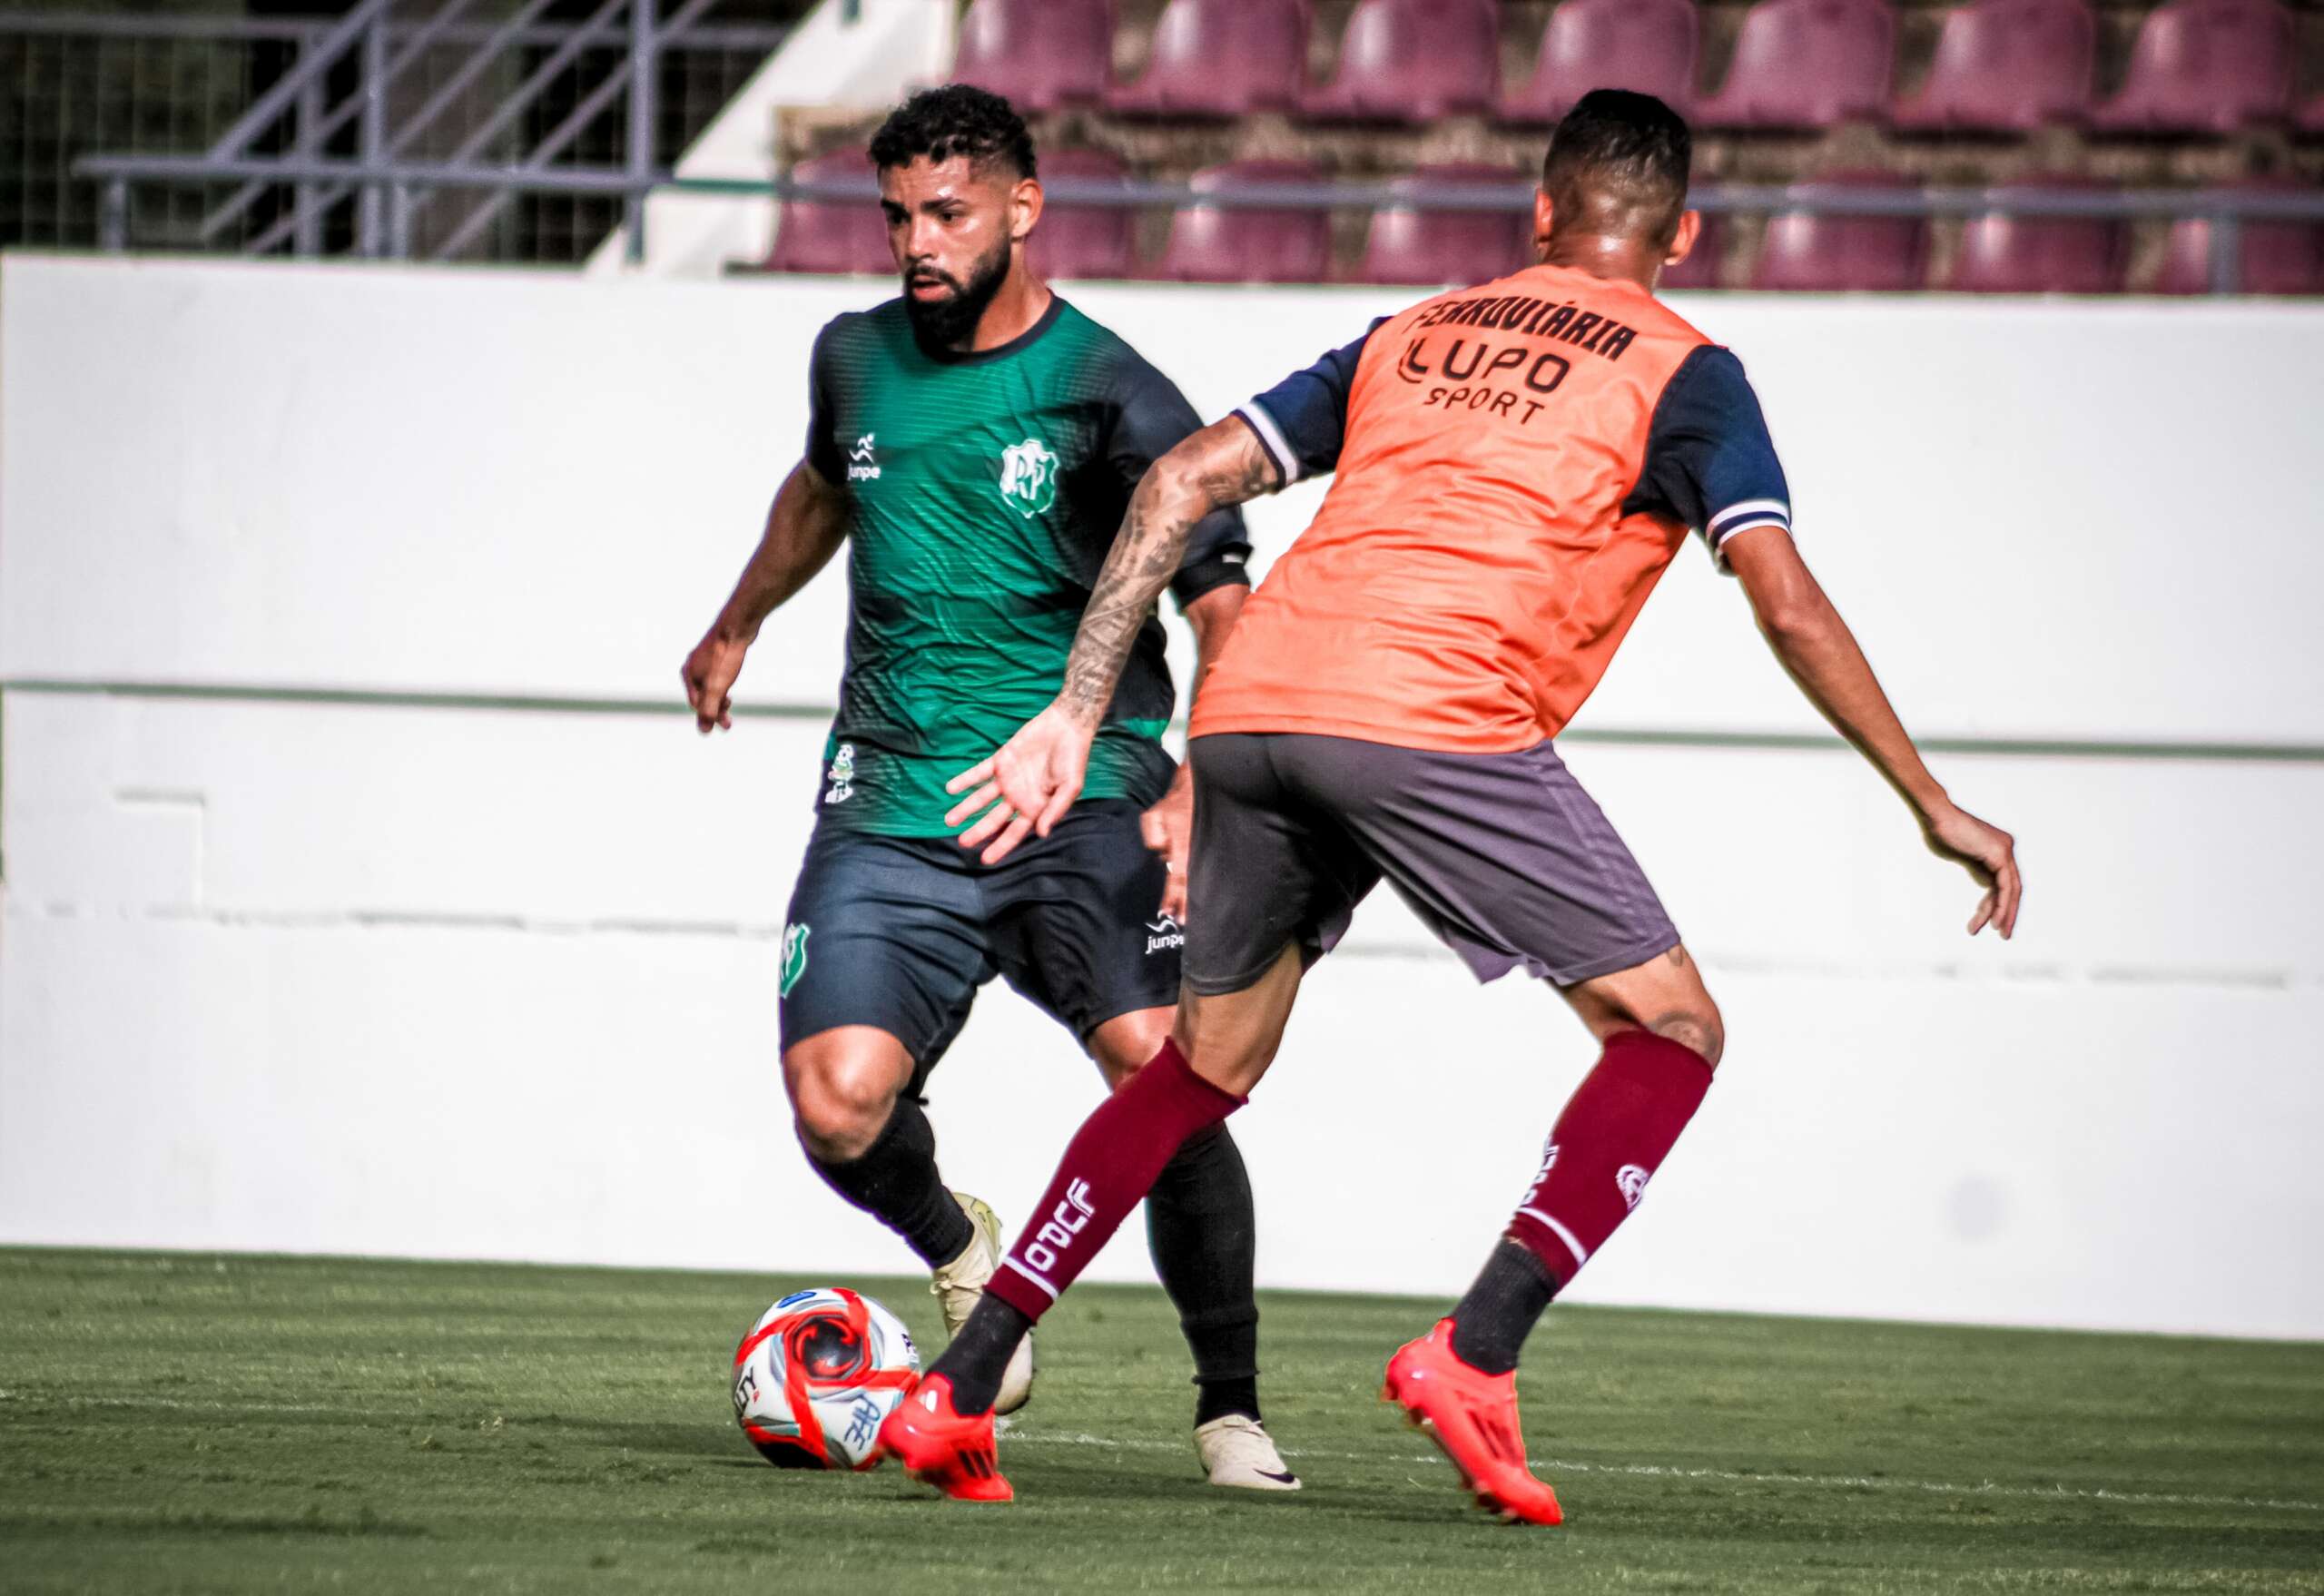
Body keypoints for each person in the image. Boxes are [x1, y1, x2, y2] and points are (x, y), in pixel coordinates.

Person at [880, 89, 2024, 1519]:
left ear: (1541, 213)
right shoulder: (1690, 371)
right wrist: (1928, 798)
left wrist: (1074, 705)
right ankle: (1474, 1353)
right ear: (1684, 235)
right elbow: (1779, 595)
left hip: (1254, 709)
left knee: (1200, 1067)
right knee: (1672, 1027)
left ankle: (961, 1386)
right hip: (1432, 720)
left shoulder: (1410, 332)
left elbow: (1178, 480)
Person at [681, 84, 1298, 1491]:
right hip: (893, 801)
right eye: (896, 213)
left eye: (945, 212)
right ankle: (962, 1250)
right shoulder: (851, 358)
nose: (916, 240)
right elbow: (824, 492)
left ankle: (1229, 1405)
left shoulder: (1116, 393)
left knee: (1169, 1069)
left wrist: (1205, 777)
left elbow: (1224, 609)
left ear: (1024, 207)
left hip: (1087, 798)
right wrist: (738, 621)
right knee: (835, 1104)